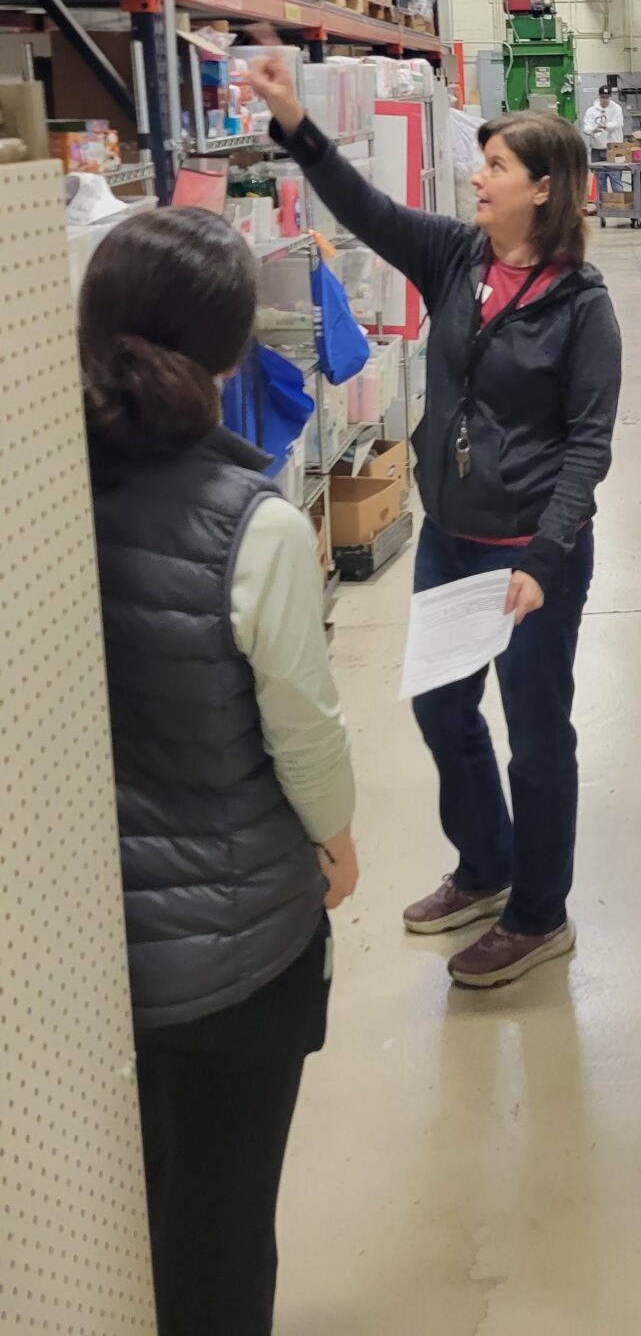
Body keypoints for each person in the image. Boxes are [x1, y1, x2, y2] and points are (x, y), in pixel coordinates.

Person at [246, 47, 622, 992]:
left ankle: (541, 912)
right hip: (451, 539)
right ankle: (485, 863)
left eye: (496, 166)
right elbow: (366, 210)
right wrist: (297, 123)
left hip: (532, 559)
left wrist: (546, 552)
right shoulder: (457, 255)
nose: (477, 177)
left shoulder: (583, 307)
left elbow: (588, 446)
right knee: (440, 706)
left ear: (544, 190)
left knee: (537, 735)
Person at [80, 208, 357, 1336]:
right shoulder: (255, 523)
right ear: (237, 352)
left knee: (117, 1219)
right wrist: (337, 838)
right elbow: (303, 730)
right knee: (222, 1232)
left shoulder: (43, 487)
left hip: (80, 947)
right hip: (233, 947)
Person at [582, 83, 626, 213]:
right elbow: (586, 128)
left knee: (615, 177)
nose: (604, 100)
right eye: (602, 97)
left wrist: (605, 126)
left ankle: (619, 205)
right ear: (599, 97)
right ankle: (601, 206)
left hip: (613, 149)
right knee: (600, 179)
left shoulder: (616, 109)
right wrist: (594, 129)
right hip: (597, 149)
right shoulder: (591, 111)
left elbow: (618, 123)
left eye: (607, 97)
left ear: (610, 97)